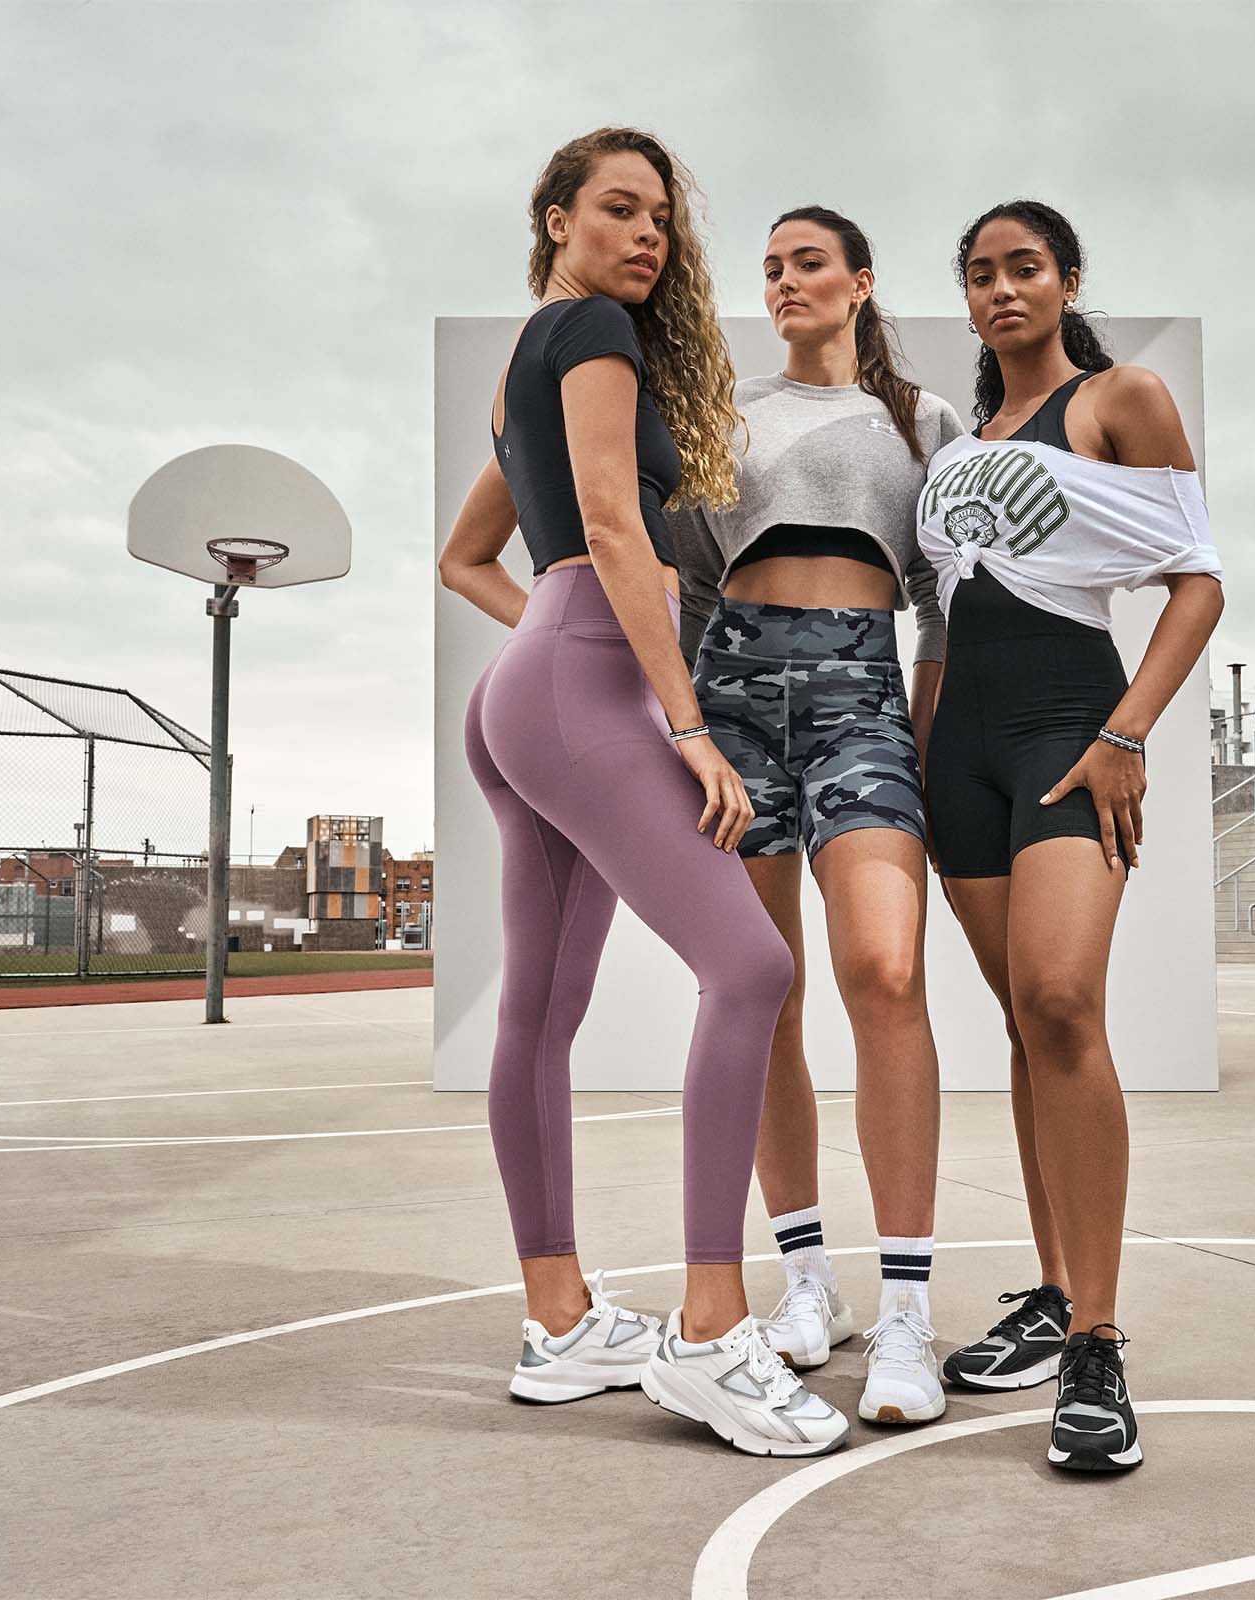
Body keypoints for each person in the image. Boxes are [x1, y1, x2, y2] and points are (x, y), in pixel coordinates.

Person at [438, 127, 846, 1458]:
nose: (647, 235)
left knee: (542, 1016)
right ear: (555, 217)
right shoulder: (596, 338)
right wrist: (682, 721)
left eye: (660, 217)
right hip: (588, 683)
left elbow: (469, 557)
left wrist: (545, 651)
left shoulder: (526, 360)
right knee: (751, 969)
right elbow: (613, 529)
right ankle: (712, 1333)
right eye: (618, 209)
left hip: (533, 686)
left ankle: (560, 1326)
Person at [918, 199, 1226, 1473]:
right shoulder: (948, 443)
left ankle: (1094, 1340)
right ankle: (1049, 1293)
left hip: (1064, 728)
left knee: (1060, 1005)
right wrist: (919, 753)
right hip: (957, 753)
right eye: (982, 275)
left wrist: (1127, 733)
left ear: (1066, 280)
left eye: (1024, 269)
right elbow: (937, 619)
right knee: (1018, 1025)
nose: (1001, 291)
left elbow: (1198, 578)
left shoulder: (1118, 399)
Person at [666, 206, 965, 1426]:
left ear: (860, 283)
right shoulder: (724, 416)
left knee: (886, 971)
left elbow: (944, 604)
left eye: (808, 263)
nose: (785, 281)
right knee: (762, 988)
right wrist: (687, 734)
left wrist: (927, 750)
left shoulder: (926, 421)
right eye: (772, 267)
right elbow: (685, 582)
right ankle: (807, 1285)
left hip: (863, 696)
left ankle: (906, 1314)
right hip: (732, 694)